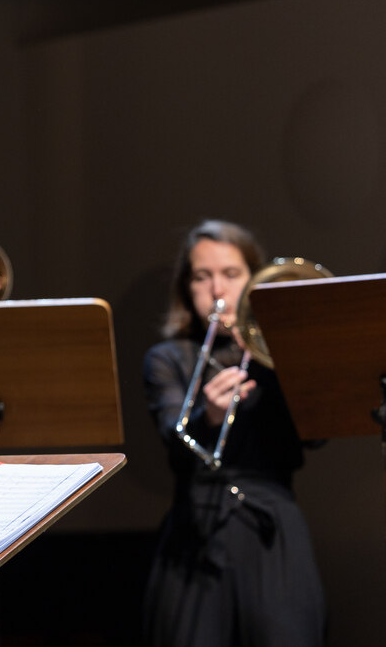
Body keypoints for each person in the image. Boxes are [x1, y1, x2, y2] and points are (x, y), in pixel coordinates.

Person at [142, 219, 326, 646]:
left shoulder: (280, 355)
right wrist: (207, 415)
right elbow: (173, 439)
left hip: (271, 527)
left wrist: (280, 358)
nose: (217, 290)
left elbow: (316, 435)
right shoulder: (167, 358)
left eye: (231, 274)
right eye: (202, 277)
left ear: (254, 280)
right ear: (186, 288)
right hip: (196, 529)